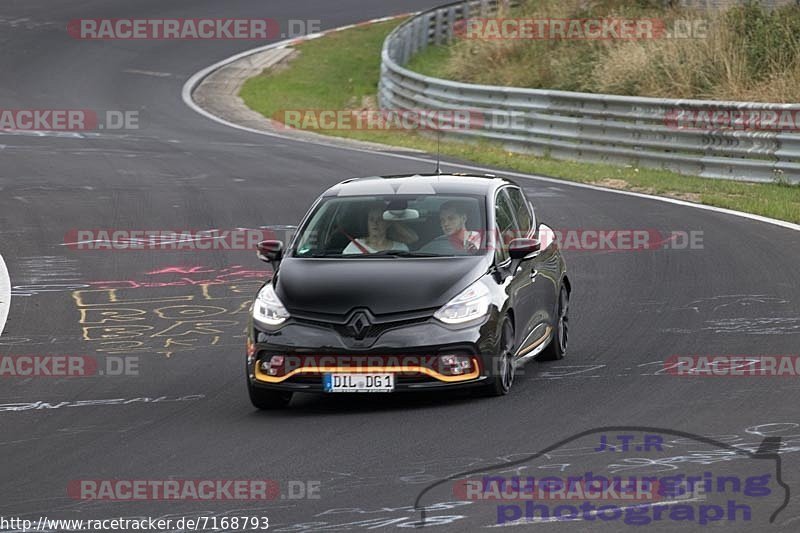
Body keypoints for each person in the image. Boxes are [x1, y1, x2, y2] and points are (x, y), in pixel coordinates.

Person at [342, 205, 410, 254]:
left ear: (388, 223)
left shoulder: (400, 249)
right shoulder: (354, 246)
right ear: (367, 223)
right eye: (371, 219)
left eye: (379, 219)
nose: (375, 223)